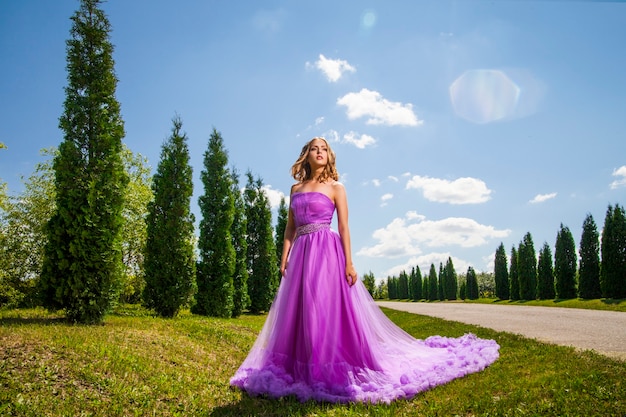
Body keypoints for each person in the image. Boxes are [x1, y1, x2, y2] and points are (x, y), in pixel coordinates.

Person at [230, 137, 499, 403]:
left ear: (329, 156)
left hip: (326, 252)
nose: (320, 152)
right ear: (306, 155)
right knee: (299, 311)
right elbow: (290, 227)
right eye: (314, 148)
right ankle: (302, 366)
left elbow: (344, 226)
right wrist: (284, 255)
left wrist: (349, 261)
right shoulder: (295, 189)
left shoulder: (336, 188)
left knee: (322, 309)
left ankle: (328, 365)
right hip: (301, 253)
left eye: (324, 149)